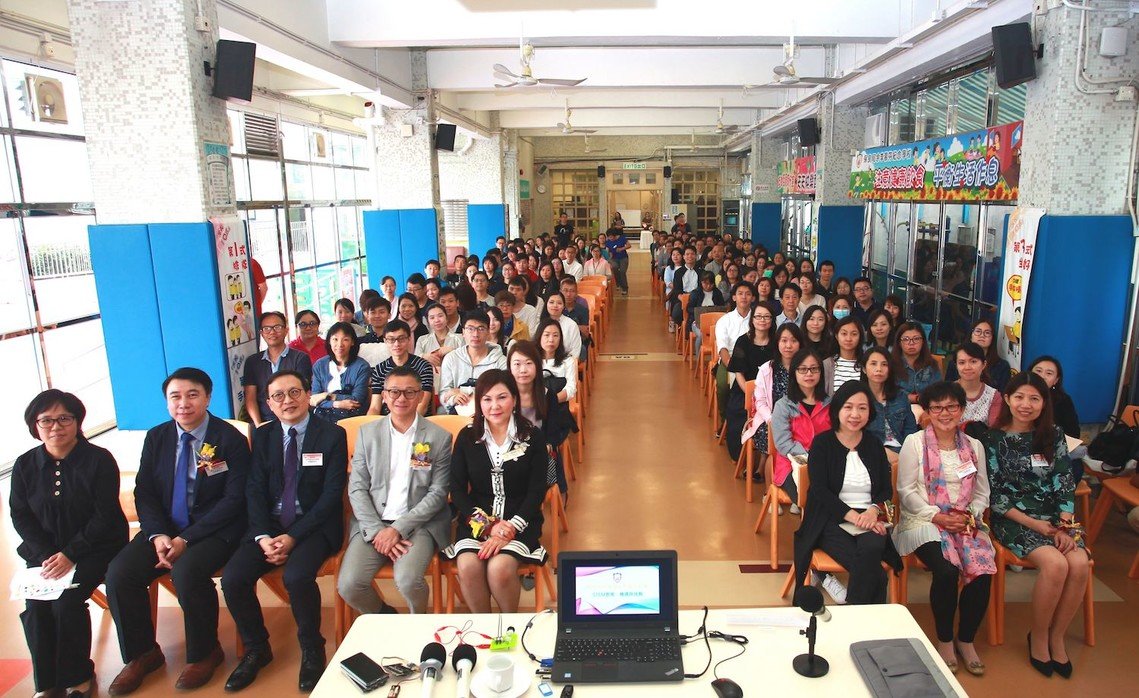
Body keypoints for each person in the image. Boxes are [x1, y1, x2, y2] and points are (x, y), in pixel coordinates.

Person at [105, 368, 251, 695]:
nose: (183, 403)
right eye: (175, 396)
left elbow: (234, 499)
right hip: (164, 528)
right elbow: (145, 491)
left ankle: (205, 652)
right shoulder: (157, 437)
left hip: (215, 529)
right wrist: (158, 535)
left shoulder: (229, 439)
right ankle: (143, 654)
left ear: (208, 398)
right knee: (120, 573)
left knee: (187, 571)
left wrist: (186, 539)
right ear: (167, 402)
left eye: (192, 395)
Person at [221, 371, 348, 692]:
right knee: (233, 578)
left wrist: (293, 537)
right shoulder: (263, 436)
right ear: (268, 403)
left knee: (297, 576)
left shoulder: (331, 435)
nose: (287, 401)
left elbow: (331, 495)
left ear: (308, 395)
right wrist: (263, 535)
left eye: (294, 392)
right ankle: (256, 648)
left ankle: (312, 648)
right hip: (270, 526)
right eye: (278, 395)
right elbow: (254, 490)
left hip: (314, 526)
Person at [11, 390, 128, 698]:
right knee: (36, 607)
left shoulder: (99, 460)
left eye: (64, 418)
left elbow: (104, 516)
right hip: (45, 555)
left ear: (77, 421)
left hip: (95, 548)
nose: (56, 426)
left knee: (66, 603)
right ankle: (46, 684)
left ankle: (78, 677)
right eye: (46, 420)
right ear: (35, 425)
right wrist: (48, 554)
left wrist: (70, 554)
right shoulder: (25, 464)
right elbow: (20, 514)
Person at [983, 372, 1088, 678]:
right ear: (1007, 399)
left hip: (1056, 520)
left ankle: (1057, 636)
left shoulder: (1053, 435)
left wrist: (1065, 524)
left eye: (1034, 398)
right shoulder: (993, 439)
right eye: (1019, 397)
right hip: (1014, 519)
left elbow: (1064, 481)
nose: (1025, 404)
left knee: (1079, 564)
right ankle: (1039, 637)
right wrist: (1035, 525)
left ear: (1044, 402)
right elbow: (996, 495)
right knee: (1055, 565)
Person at [893, 382, 994, 676]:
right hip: (923, 521)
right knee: (947, 570)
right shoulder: (914, 442)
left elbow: (982, 492)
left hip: (964, 521)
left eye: (951, 406)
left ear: (962, 410)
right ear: (927, 411)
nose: (944, 413)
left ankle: (966, 640)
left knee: (983, 569)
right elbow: (906, 491)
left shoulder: (974, 446)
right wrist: (937, 516)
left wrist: (970, 514)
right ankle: (945, 640)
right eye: (937, 407)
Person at [338, 365, 453, 617]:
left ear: (420, 395)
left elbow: (438, 492)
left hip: (418, 524)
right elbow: (357, 488)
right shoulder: (368, 434)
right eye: (394, 392)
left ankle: (417, 623)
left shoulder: (438, 437)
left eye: (409, 392)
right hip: (373, 523)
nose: (401, 398)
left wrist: (397, 529)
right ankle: (387, 618)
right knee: (349, 585)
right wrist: (379, 531)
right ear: (384, 395)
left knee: (408, 580)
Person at [444, 370, 549, 612]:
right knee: (468, 566)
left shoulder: (532, 436)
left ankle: (508, 624)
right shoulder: (468, 436)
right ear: (479, 403)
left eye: (502, 397)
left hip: (520, 522)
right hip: (477, 521)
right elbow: (457, 489)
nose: (495, 406)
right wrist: (488, 526)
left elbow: (536, 491)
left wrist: (509, 528)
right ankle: (485, 626)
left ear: (514, 398)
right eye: (487, 399)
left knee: (499, 568)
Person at [793, 381, 901, 605]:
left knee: (872, 547)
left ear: (870, 412)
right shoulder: (822, 443)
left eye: (862, 408)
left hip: (869, 518)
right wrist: (854, 517)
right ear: (837, 409)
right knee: (876, 575)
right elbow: (820, 491)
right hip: (828, 519)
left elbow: (885, 489)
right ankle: (865, 620)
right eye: (848, 407)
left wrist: (872, 512)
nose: (855, 414)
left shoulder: (874, 444)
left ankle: (851, 610)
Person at [509, 341, 577, 497]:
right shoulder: (504, 396)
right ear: (509, 367)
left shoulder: (547, 395)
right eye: (517, 364)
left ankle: (554, 495)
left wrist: (544, 446)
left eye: (529, 363)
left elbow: (553, 434)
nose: (523, 370)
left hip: (537, 450)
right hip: (510, 451)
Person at [771, 349, 830, 505]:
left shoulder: (829, 404)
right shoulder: (783, 406)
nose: (809, 374)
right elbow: (783, 444)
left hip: (824, 463)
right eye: (803, 369)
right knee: (813, 498)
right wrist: (810, 456)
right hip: (791, 463)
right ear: (794, 373)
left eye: (814, 369)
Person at [243, 311, 314, 425]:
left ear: (286, 330)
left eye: (277, 327)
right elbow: (250, 399)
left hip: (295, 419)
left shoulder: (300, 358)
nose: (272, 332)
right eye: (267, 328)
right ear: (261, 333)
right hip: (265, 421)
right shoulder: (252, 362)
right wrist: (259, 426)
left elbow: (303, 395)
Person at [725, 304, 775, 463]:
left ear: (772, 320)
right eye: (758, 316)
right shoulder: (743, 341)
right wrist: (750, 393)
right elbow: (738, 372)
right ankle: (740, 458)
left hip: (770, 391)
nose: (762, 320)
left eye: (766, 317)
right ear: (752, 320)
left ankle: (766, 462)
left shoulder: (777, 341)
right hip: (745, 389)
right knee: (738, 413)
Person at [439, 311, 508, 414]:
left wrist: (464, 391)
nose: (475, 334)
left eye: (481, 329)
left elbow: (504, 393)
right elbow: (444, 393)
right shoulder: (451, 358)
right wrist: (453, 398)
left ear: (488, 332)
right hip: (458, 413)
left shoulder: (501, 361)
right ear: (463, 332)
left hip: (490, 413)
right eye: (470, 329)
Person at [368, 320, 434, 417]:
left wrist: (401, 423)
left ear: (409, 339)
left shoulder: (423, 366)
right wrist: (370, 424)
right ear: (385, 341)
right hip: (387, 420)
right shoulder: (379, 369)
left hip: (417, 420)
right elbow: (375, 407)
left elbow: (422, 406)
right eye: (391, 339)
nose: (396, 344)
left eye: (401, 339)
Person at [714, 282, 756, 429]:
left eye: (748, 294)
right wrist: (733, 366)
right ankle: (725, 419)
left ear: (753, 298)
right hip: (730, 360)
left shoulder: (757, 318)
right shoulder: (725, 320)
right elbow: (723, 348)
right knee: (722, 386)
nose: (744, 297)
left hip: (753, 360)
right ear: (734, 297)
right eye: (740, 293)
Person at [310, 322, 370, 422]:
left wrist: (327, 396)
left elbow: (356, 400)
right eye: (335, 339)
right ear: (329, 341)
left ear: (352, 342)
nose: (340, 344)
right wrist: (336, 404)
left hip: (351, 417)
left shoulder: (362, 366)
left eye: (345, 339)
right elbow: (314, 399)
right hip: (322, 418)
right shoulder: (320, 365)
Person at [861, 347, 919, 451]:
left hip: (902, 449)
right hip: (871, 451)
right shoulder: (858, 398)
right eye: (873, 364)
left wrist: (907, 451)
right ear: (864, 369)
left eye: (884, 364)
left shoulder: (900, 396)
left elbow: (910, 428)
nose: (879, 369)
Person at [945, 320, 1012, 391]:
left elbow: (1003, 394)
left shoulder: (1002, 366)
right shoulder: (955, 363)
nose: (982, 335)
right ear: (971, 336)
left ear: (992, 338)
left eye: (987, 333)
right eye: (978, 331)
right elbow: (947, 391)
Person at [954, 342, 1002, 429]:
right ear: (956, 366)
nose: (967, 367)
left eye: (973, 361)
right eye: (962, 362)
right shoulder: (945, 392)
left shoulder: (994, 396)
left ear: (984, 364)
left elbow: (994, 431)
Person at [894, 322, 943, 403]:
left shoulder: (931, 364)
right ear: (899, 343)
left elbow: (939, 390)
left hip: (926, 406)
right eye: (906, 339)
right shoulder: (891, 364)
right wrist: (911, 398)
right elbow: (888, 391)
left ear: (923, 341)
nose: (911, 343)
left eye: (916, 339)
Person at [536, 318, 579, 404]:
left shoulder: (568, 361)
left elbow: (571, 388)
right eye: (547, 335)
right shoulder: (531, 360)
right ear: (539, 337)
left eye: (555, 335)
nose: (551, 340)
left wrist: (551, 402)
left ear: (560, 339)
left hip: (558, 405)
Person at [824, 316, 864, 394]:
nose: (848, 339)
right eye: (844, 334)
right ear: (836, 336)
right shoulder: (827, 364)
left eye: (854, 334)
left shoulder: (865, 364)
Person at [542, 292, 583, 362]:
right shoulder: (540, 324)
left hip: (565, 363)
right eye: (551, 302)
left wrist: (564, 364)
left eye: (559, 303)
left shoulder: (571, 325)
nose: (555, 305)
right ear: (546, 304)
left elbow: (575, 351)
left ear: (564, 306)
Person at [605, 225, 631, 295]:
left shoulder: (622, 238)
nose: (610, 238)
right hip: (613, 258)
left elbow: (629, 245)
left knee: (622, 272)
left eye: (611, 237)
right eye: (609, 237)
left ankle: (625, 288)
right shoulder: (608, 242)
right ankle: (618, 283)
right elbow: (607, 251)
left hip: (623, 258)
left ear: (615, 236)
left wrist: (621, 249)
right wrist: (608, 257)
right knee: (615, 268)